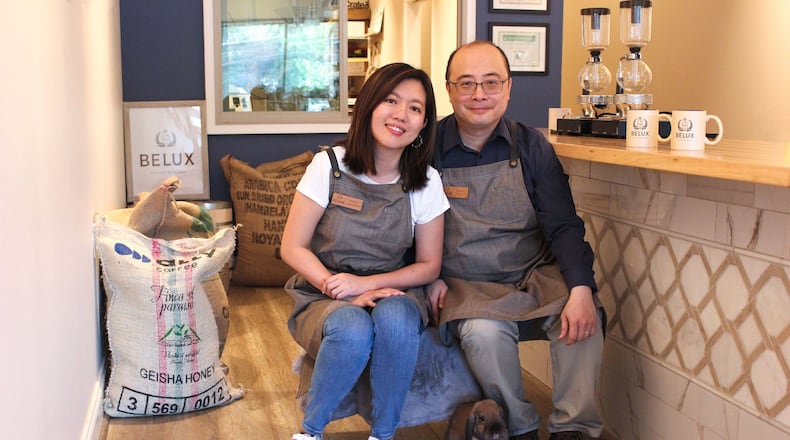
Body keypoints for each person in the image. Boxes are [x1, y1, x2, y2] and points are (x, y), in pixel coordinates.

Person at [427, 41, 605, 440]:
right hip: (465, 283)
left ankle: (574, 429)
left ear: (508, 88)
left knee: (581, 314)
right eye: (467, 84)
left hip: (533, 273)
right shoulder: (425, 152)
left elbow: (563, 224)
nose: (479, 95)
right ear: (449, 89)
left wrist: (579, 287)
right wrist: (428, 278)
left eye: (491, 83)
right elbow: (407, 227)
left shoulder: (532, 146)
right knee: (483, 334)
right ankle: (518, 428)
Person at [282, 62, 449, 440]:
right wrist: (338, 286)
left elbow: (429, 264)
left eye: (415, 108)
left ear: (423, 125)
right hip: (325, 292)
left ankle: (384, 433)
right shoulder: (328, 166)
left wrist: (368, 284)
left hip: (394, 289)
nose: (400, 115)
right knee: (351, 328)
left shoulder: (426, 182)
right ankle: (310, 432)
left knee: (396, 321)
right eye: (391, 100)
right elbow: (292, 247)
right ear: (369, 105)